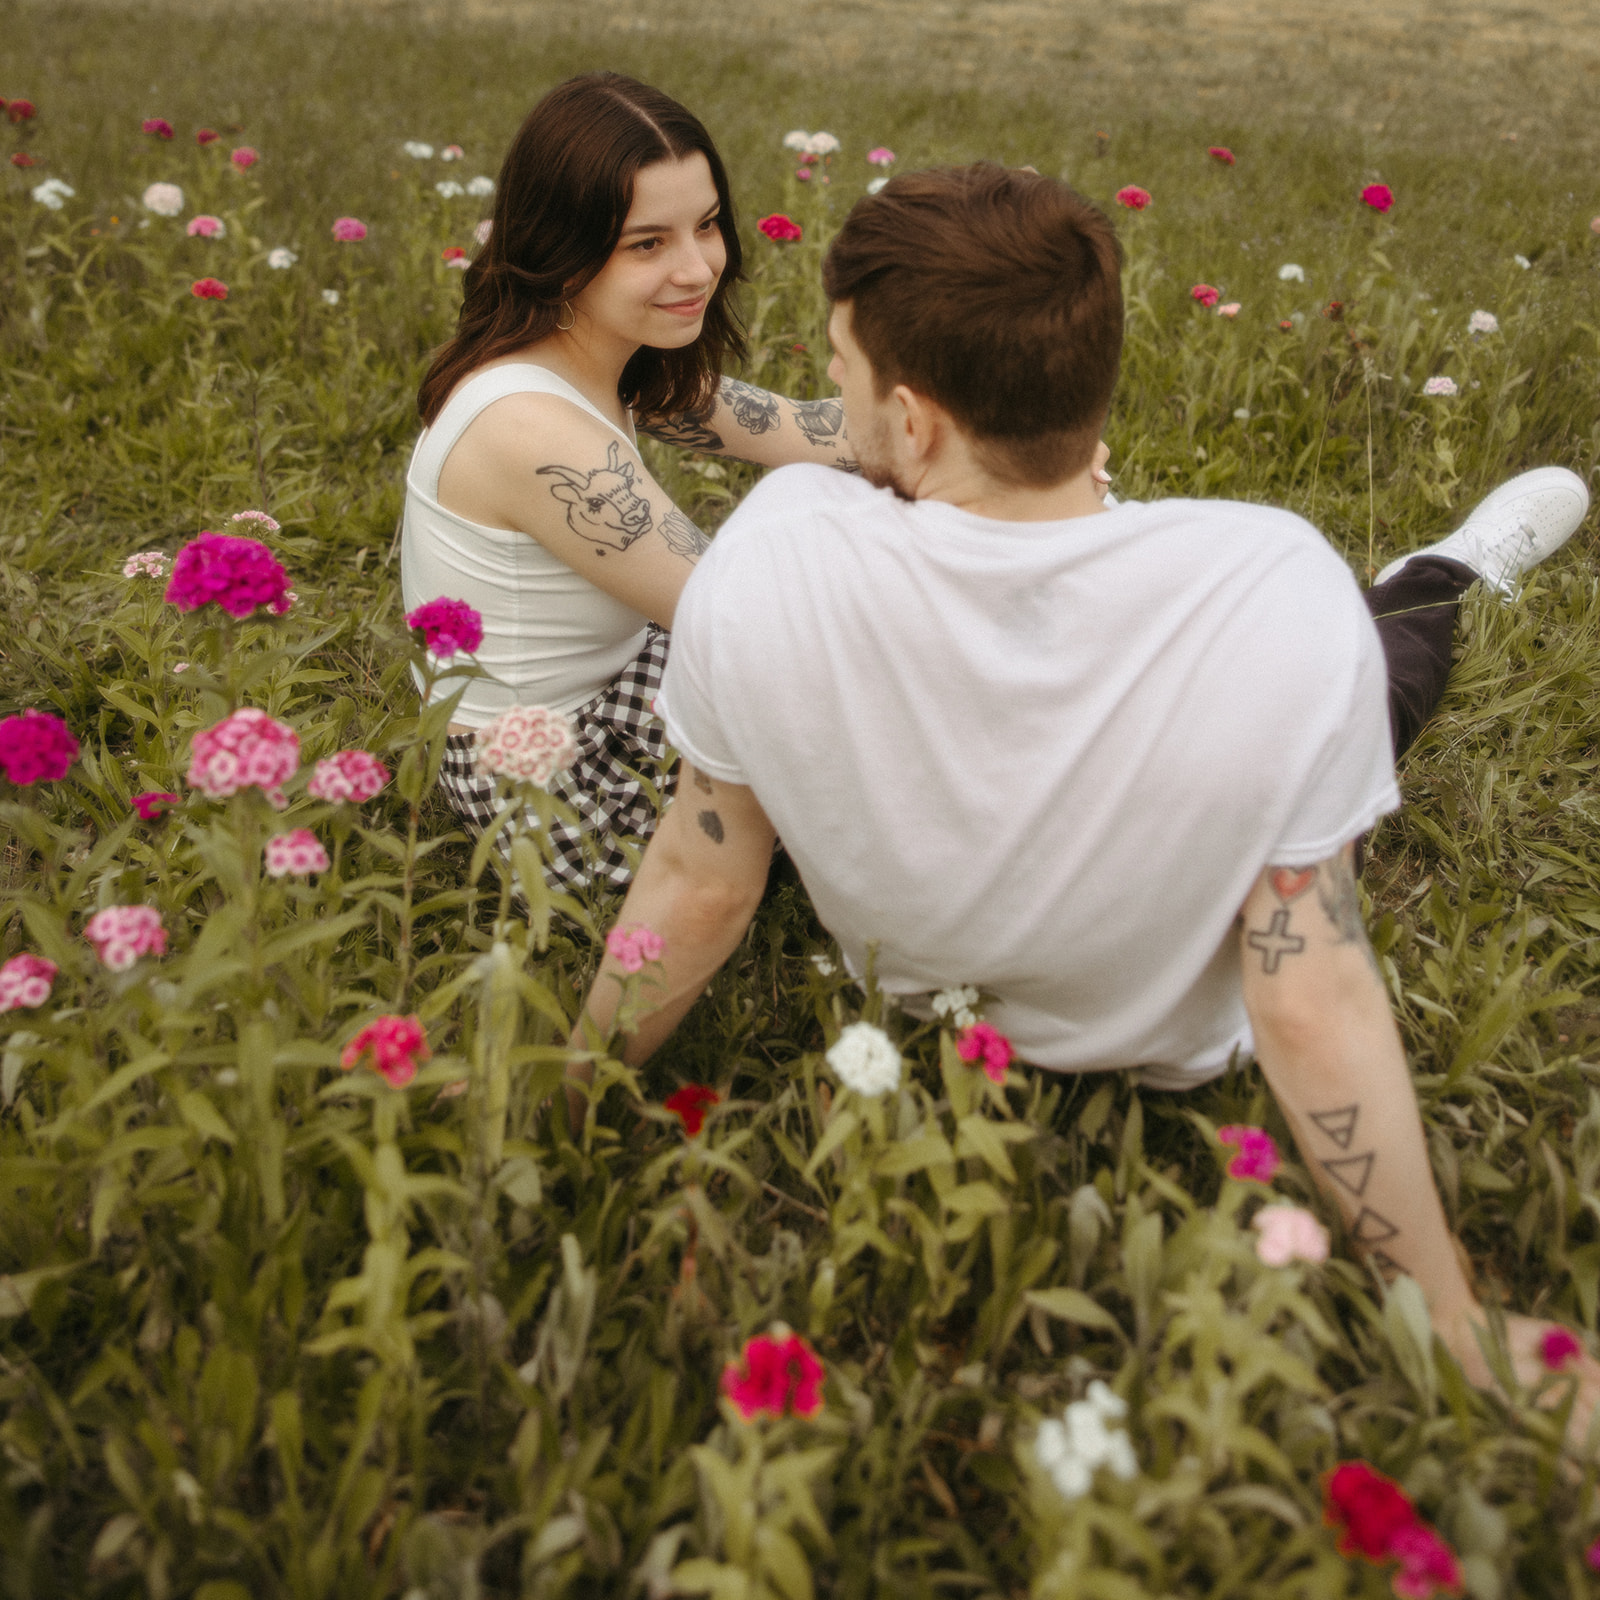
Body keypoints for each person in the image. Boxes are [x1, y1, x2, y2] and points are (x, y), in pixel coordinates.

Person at [570, 163, 1597, 1435]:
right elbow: (1309, 987)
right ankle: (1367, 569)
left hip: (937, 1002)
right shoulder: (1270, 579)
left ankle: (1445, 569)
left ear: (917, 418)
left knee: (1388, 648)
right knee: (1363, 657)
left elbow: (701, 881)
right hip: (1197, 907)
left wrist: (563, 1085)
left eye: (839, 367)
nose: (832, 395)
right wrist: (1449, 1318)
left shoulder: (770, 553)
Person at [402, 73, 858, 891]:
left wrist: (992, 446)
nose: (696, 268)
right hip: (557, 787)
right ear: (561, 249)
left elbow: (809, 433)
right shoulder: (535, 432)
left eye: (708, 225)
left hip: (619, 683)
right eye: (647, 244)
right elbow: (742, 623)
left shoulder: (593, 352)